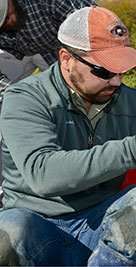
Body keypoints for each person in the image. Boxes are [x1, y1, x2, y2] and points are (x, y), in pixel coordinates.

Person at [0, 6, 136, 266]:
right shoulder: (25, 98)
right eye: (105, 71)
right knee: (7, 232)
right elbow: (43, 174)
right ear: (66, 59)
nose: (116, 81)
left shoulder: (131, 102)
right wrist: (133, 150)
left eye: (122, 70)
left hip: (100, 223)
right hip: (36, 228)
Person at [0, 0, 97, 207]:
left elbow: (93, 22)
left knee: (78, 101)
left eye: (5, 13)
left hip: (59, 51)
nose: (7, 21)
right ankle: (7, 187)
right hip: (13, 55)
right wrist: (19, 100)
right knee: (12, 108)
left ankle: (78, 163)